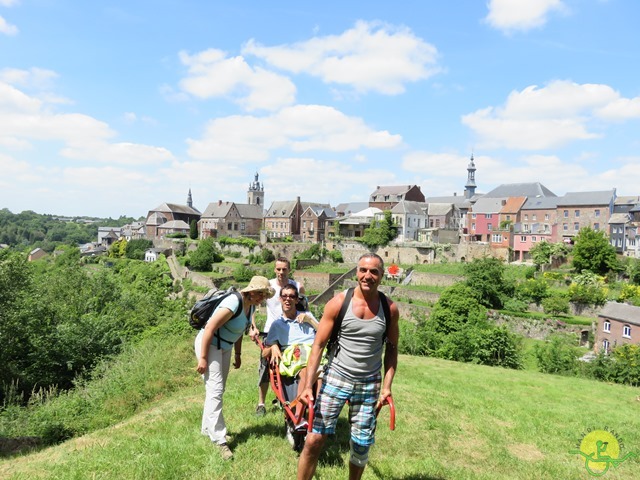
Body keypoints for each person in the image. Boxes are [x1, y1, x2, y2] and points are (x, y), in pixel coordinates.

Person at [296, 253, 400, 480]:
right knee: (314, 439)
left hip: (369, 383)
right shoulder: (338, 303)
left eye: (374, 271)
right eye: (363, 270)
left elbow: (392, 349)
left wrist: (387, 386)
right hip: (336, 376)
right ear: (356, 272)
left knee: (361, 446)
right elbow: (318, 345)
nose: (367, 276)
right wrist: (307, 385)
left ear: (382, 276)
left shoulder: (389, 309)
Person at [195, 276, 275, 461]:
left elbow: (240, 331)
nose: (263, 299)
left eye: (265, 295)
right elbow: (209, 329)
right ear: (252, 291)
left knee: (217, 389)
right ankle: (220, 440)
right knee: (215, 388)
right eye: (262, 294)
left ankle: (207, 429)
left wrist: (238, 355)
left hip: (225, 346)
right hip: (210, 344)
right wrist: (204, 358)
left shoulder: (251, 306)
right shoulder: (233, 302)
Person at [250, 257, 305, 417]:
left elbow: (303, 308)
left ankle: (284, 398)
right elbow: (254, 304)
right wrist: (252, 326)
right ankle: (261, 403)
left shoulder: (297, 287)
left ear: (289, 270)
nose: (281, 272)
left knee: (289, 366)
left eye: (284, 269)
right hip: (270, 331)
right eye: (278, 269)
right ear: (275, 270)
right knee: (266, 368)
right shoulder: (269, 285)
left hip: (290, 332)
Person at [262, 283, 318, 423]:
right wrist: (274, 345)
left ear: (297, 300)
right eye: (284, 296)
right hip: (296, 353)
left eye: (292, 296)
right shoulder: (277, 324)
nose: (288, 299)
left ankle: (316, 412)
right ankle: (299, 415)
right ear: (280, 299)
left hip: (314, 351)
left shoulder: (307, 316)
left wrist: (309, 320)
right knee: (306, 371)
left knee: (320, 374)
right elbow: (264, 353)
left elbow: (324, 333)